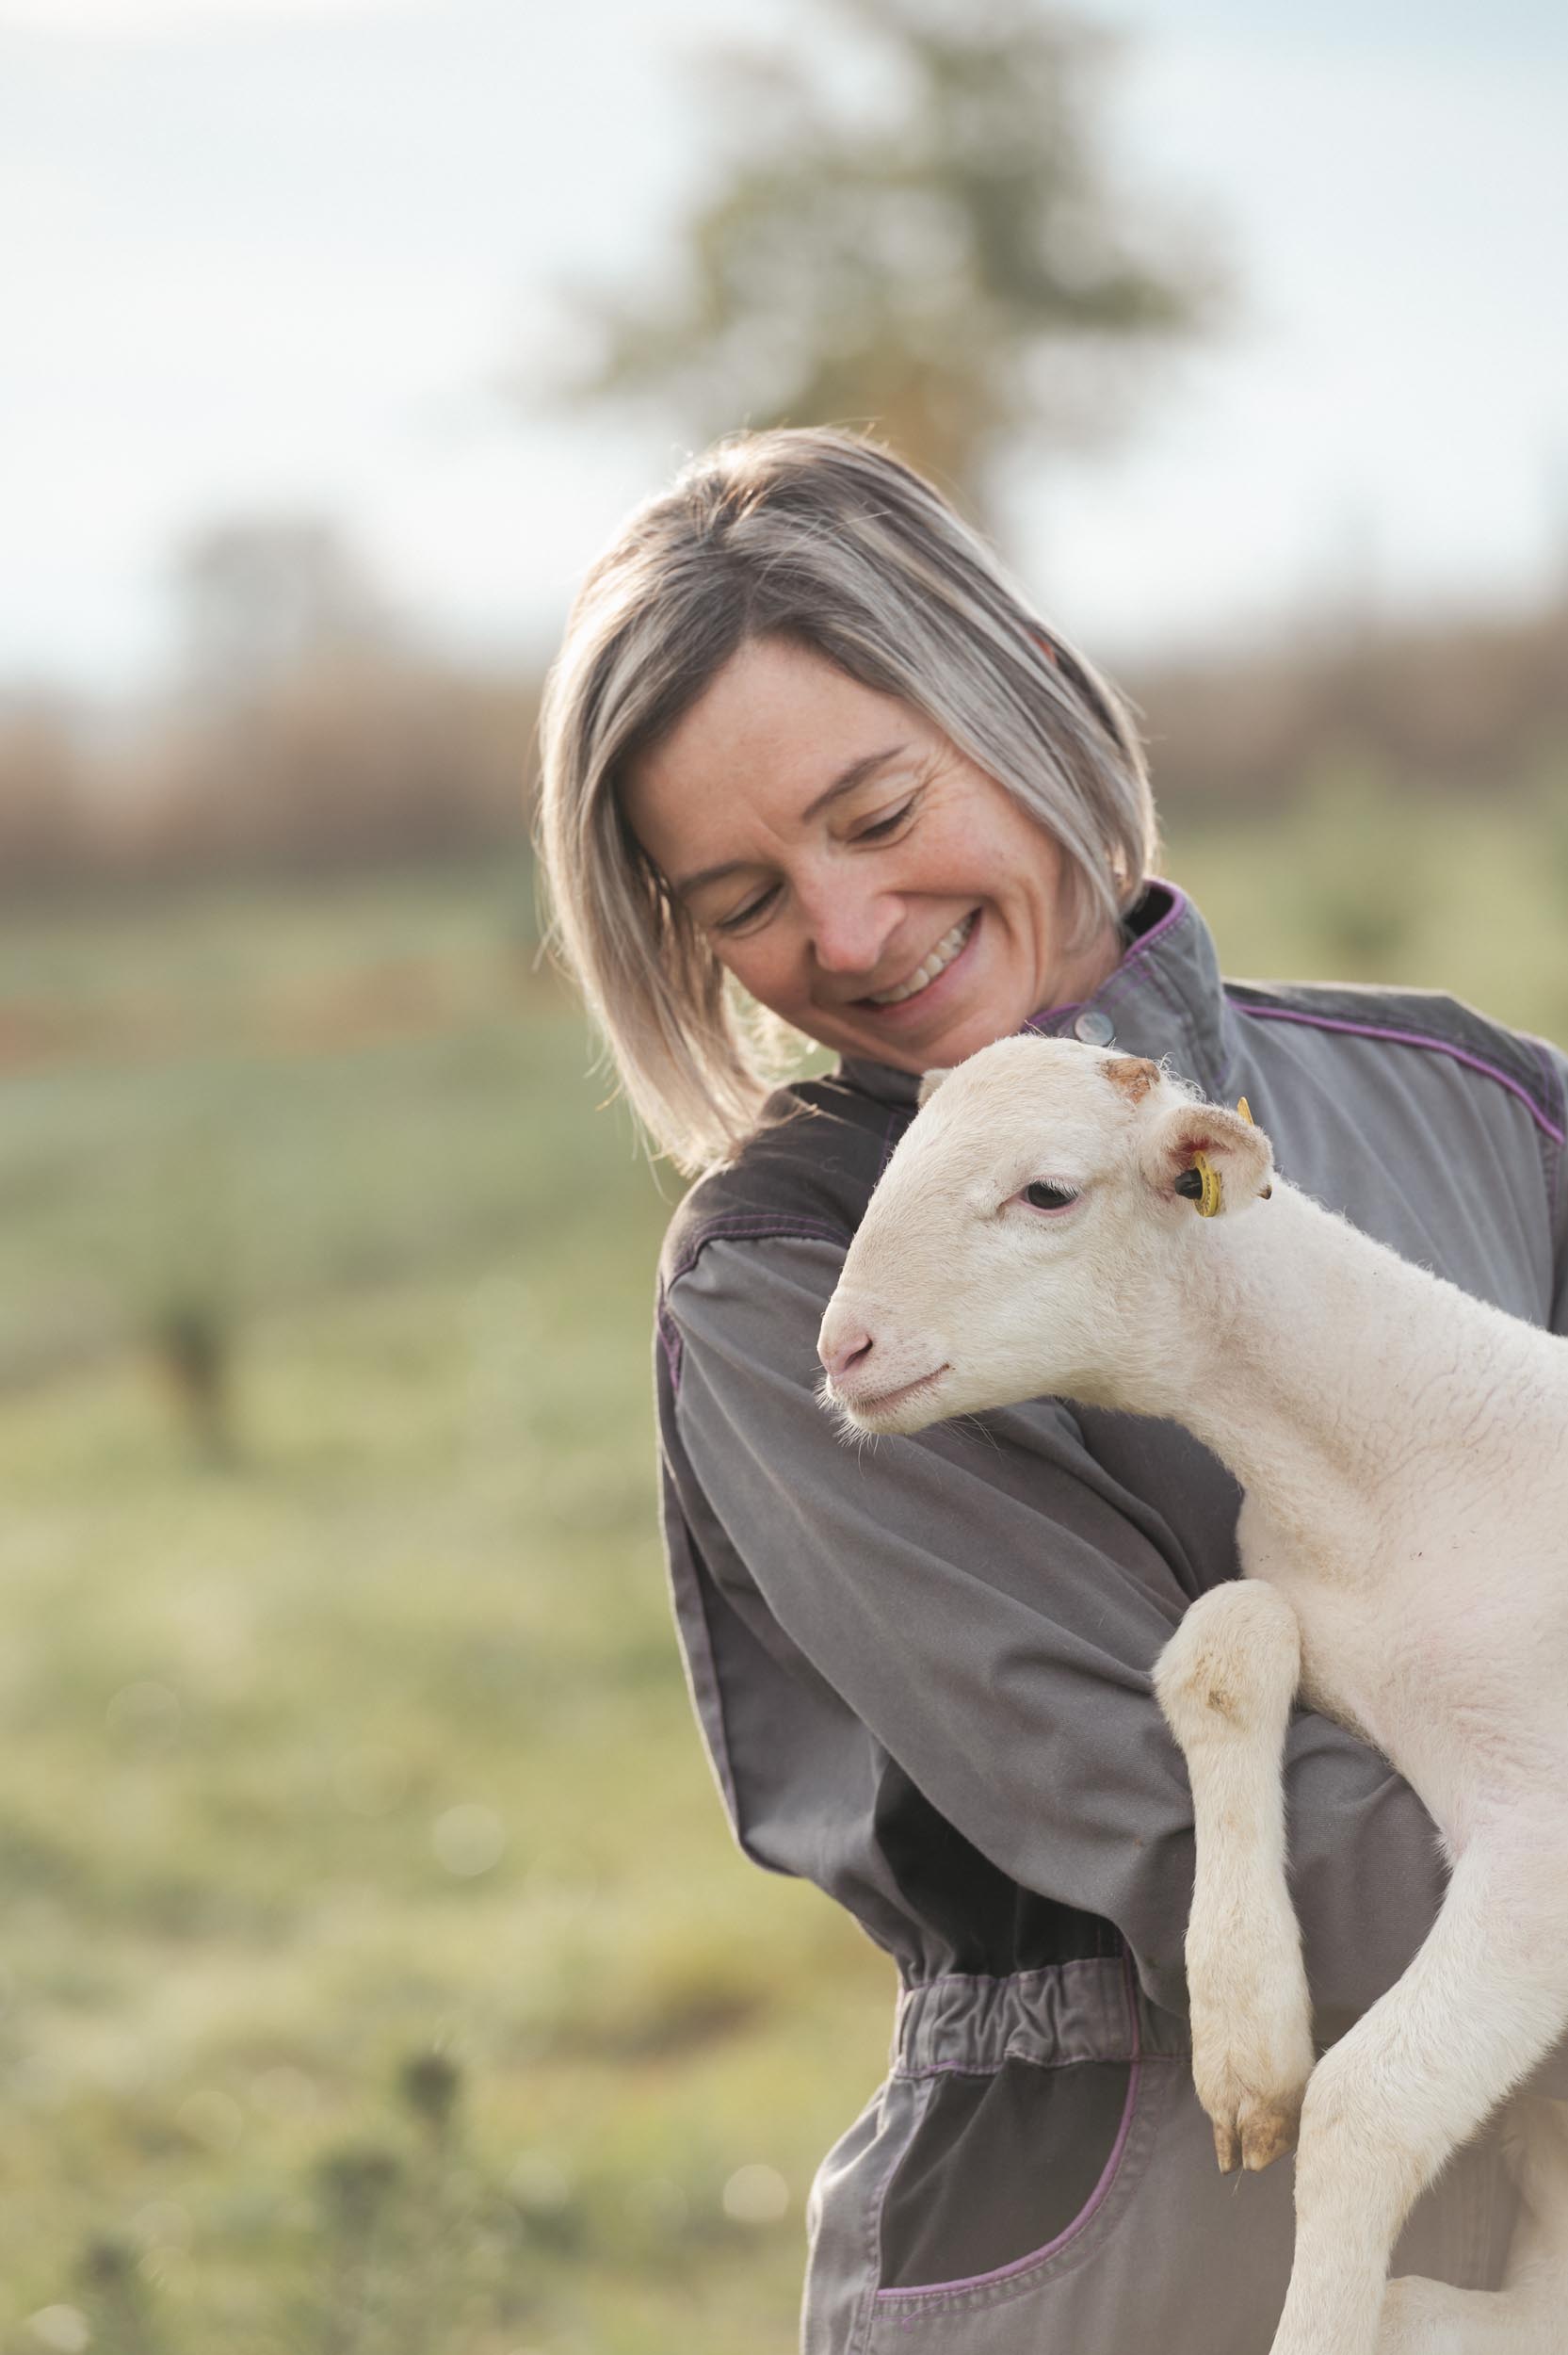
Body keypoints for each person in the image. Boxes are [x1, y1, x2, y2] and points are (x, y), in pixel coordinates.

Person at [536, 426, 1568, 2353]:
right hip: (1125, 2251)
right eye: (738, 895)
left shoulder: (1478, 1102)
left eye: (871, 808)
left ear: (1013, 694)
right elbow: (1191, 1817)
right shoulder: (785, 1291)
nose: (838, 936)